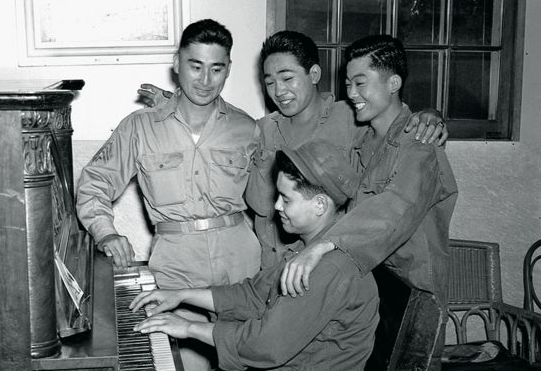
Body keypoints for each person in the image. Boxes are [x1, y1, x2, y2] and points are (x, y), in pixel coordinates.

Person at [130, 140, 380, 371]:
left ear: (320, 205)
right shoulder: (306, 252)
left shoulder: (329, 268)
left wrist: (188, 327)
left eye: (286, 199)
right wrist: (181, 294)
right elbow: (250, 295)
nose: (276, 206)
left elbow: (266, 344)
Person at [281, 35, 458, 371]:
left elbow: (394, 210)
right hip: (377, 296)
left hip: (415, 303)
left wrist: (326, 244)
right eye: (347, 83)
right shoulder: (365, 141)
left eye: (361, 83)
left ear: (394, 82)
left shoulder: (419, 144)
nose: (351, 93)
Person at [139, 30, 448, 269]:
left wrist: (430, 115)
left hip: (330, 263)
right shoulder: (261, 129)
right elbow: (259, 202)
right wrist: (179, 102)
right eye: (270, 82)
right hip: (273, 265)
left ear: (313, 75)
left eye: (287, 78)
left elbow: (392, 127)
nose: (279, 90)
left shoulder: (349, 115)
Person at [76, 19, 261, 371]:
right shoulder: (140, 126)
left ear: (228, 70)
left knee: (247, 359)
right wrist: (106, 231)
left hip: (239, 256)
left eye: (216, 68)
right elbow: (94, 183)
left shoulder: (247, 127)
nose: (205, 81)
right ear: (177, 63)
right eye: (195, 66)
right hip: (176, 261)